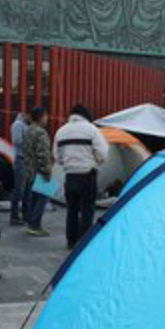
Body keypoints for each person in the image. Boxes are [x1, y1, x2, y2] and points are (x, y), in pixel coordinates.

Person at [54, 105, 109, 249]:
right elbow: (103, 154)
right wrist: (95, 161)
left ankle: (71, 241)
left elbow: (57, 157)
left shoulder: (61, 131)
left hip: (70, 176)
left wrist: (68, 163)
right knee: (87, 209)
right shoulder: (92, 130)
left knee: (71, 210)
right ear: (86, 115)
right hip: (87, 175)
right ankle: (83, 243)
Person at [21, 107, 52, 237]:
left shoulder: (27, 130)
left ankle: (30, 223)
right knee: (43, 198)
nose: (47, 119)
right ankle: (35, 225)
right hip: (40, 171)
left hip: (29, 170)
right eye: (46, 116)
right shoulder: (41, 133)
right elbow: (43, 154)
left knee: (33, 198)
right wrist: (47, 171)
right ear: (40, 117)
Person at [9, 112, 28, 226]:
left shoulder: (25, 125)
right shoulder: (18, 124)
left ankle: (24, 215)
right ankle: (14, 216)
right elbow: (17, 140)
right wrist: (31, 144)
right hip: (21, 159)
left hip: (26, 160)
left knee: (26, 190)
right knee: (18, 189)